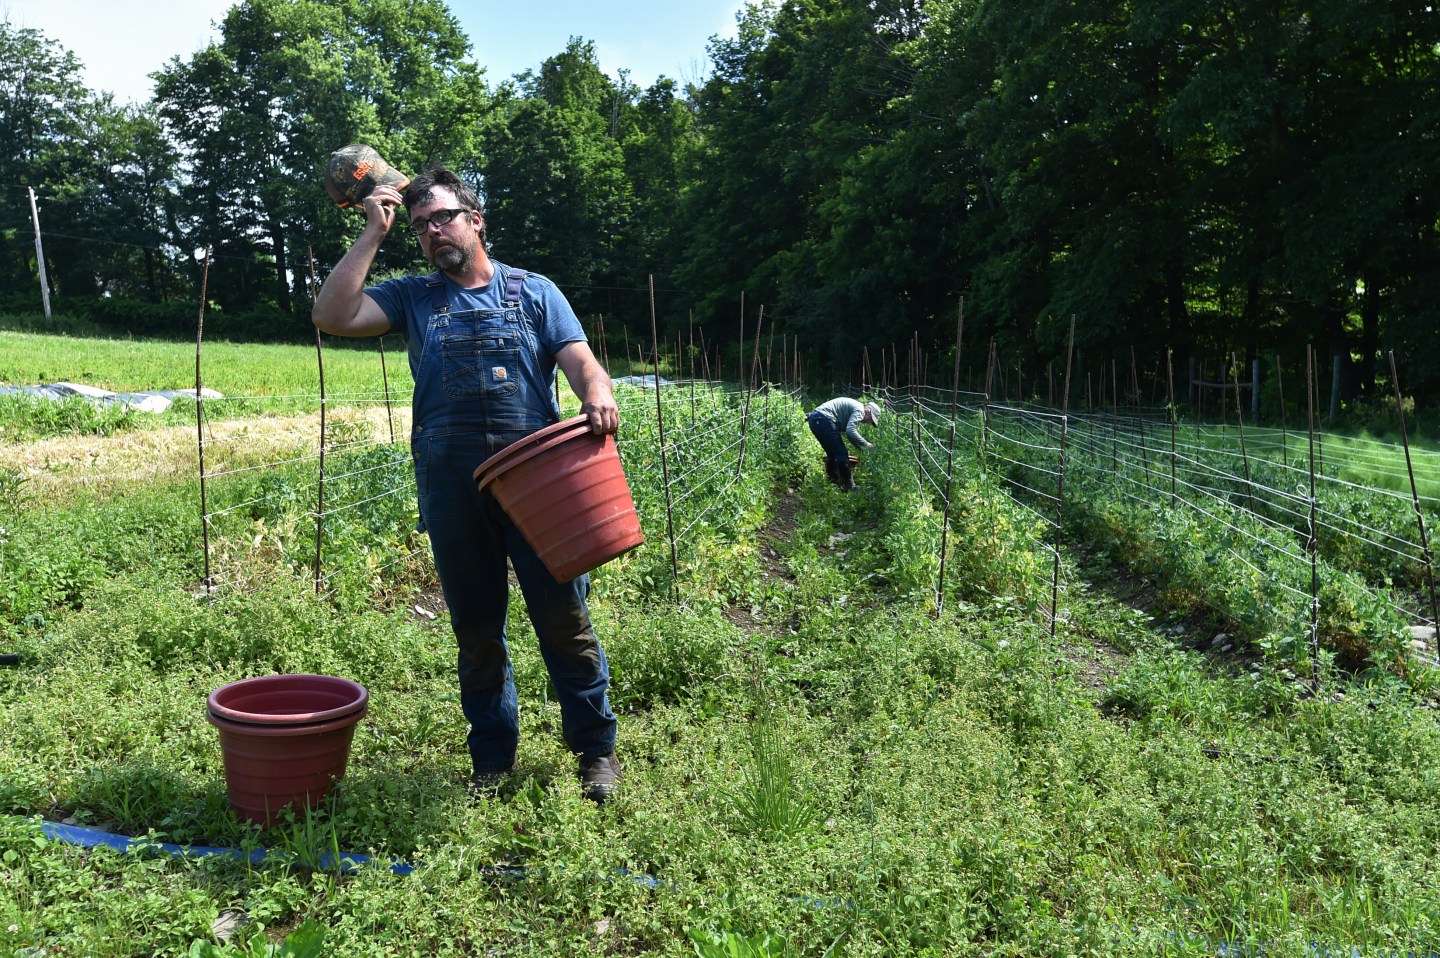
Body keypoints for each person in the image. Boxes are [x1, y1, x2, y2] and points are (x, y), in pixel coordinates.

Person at [312, 167, 622, 803]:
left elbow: (581, 359)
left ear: (475, 221)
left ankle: (595, 750)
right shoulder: (412, 298)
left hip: (539, 481)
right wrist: (375, 230)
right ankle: (491, 761)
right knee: (477, 629)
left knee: (564, 618)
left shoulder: (534, 292)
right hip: (453, 486)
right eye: (421, 224)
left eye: (443, 217)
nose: (431, 231)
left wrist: (597, 391)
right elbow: (332, 313)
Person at [806, 398, 881, 491]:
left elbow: (850, 435)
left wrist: (860, 449)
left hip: (815, 419)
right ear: (868, 411)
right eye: (870, 420)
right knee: (842, 454)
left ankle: (833, 482)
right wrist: (866, 444)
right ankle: (849, 486)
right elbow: (850, 431)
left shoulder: (857, 408)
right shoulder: (860, 410)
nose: (868, 422)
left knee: (832, 454)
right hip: (823, 420)